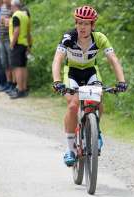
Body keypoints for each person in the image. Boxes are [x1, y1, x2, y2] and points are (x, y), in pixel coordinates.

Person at [52, 5, 128, 167]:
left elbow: (113, 59)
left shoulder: (99, 38)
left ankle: (96, 131)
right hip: (71, 72)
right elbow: (58, 59)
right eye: (79, 23)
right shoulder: (68, 37)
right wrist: (57, 81)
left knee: (98, 99)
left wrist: (121, 81)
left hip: (90, 72)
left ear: (93, 25)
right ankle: (70, 149)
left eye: (86, 24)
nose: (82, 27)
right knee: (73, 106)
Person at [9, 0, 32, 99]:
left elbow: (16, 31)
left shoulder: (16, 16)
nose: (10, 8)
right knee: (23, 66)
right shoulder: (25, 16)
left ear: (14, 6)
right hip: (24, 43)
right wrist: (28, 45)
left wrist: (12, 44)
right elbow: (28, 32)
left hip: (17, 44)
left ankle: (20, 90)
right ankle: (24, 88)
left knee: (17, 67)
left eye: (11, 6)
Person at [0, 0, 16, 94]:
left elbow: (16, 22)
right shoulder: (3, 7)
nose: (4, 1)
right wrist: (0, 22)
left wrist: (8, 21)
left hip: (9, 39)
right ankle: (8, 83)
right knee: (5, 62)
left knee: (11, 62)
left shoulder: (14, 8)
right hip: (1, 38)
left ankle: (14, 84)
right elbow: (1, 21)